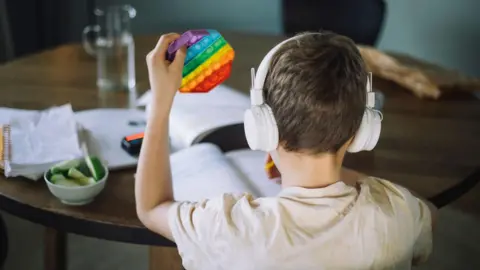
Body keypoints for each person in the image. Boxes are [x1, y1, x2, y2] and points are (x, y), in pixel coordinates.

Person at [135, 31, 437, 270]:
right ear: (363, 132)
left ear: (262, 128)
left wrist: (161, 105)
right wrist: (351, 176)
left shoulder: (228, 229)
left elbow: (151, 208)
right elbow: (430, 214)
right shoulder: (398, 215)